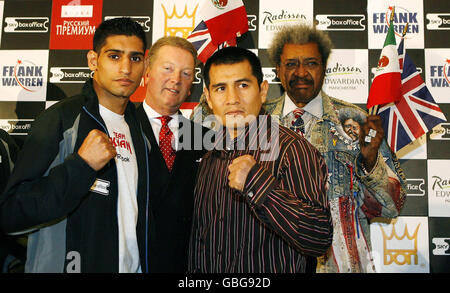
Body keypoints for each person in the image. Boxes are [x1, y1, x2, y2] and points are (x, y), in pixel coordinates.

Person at [0, 17, 151, 273]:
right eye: (114, 56)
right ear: (93, 60)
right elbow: (11, 214)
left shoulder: (140, 131)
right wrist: (80, 167)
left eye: (135, 58)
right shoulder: (62, 119)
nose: (126, 68)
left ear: (145, 64)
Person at [264, 24, 407, 272]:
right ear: (277, 70)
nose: (301, 72)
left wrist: (370, 164)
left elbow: (393, 206)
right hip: (273, 264)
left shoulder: (356, 121)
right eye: (291, 64)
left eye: (311, 63)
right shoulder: (259, 123)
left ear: (324, 68)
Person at [188, 46, 332, 273]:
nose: (232, 99)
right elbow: (201, 245)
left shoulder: (292, 149)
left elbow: (318, 237)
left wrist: (258, 183)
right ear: (208, 97)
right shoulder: (208, 158)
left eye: (242, 85)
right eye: (220, 88)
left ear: (263, 91)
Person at [136, 36, 209, 273]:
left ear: (191, 86)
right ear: (147, 72)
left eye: (186, 74)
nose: (176, 79)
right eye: (168, 68)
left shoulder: (207, 140)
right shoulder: (120, 129)